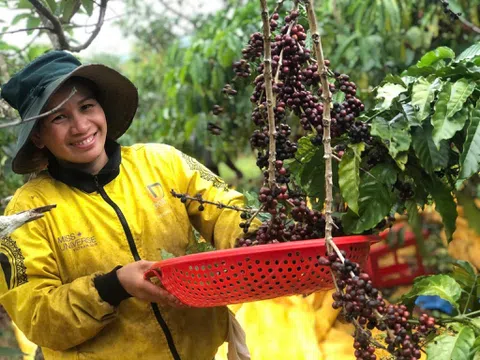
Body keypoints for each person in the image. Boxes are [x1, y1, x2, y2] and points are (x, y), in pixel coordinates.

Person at [0, 50, 251, 360]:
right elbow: (36, 316)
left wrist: (253, 236)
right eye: (59, 117)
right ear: (38, 136)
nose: (80, 126)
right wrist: (112, 287)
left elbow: (226, 210)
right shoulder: (28, 212)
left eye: (87, 107)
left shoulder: (162, 162)